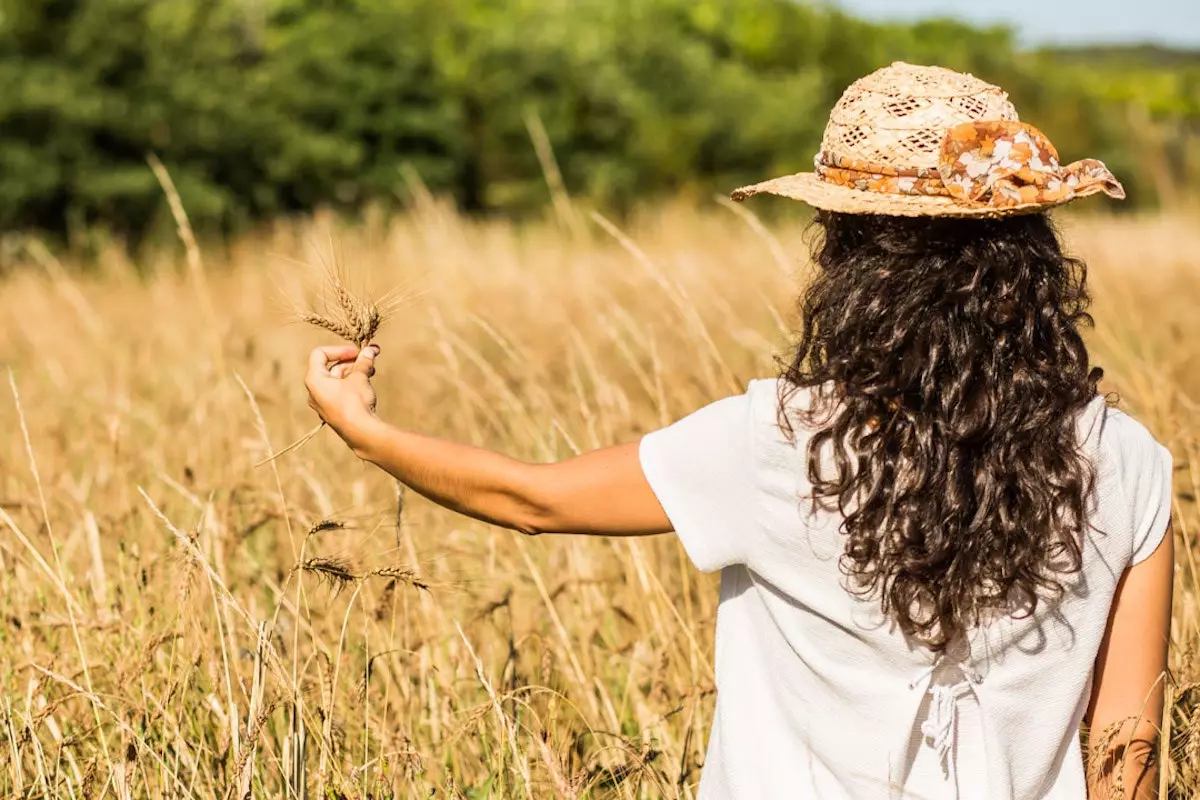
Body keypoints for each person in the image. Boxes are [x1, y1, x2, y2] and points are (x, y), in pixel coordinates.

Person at [303, 63, 1173, 800]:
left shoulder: (776, 441)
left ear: (852, 266)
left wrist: (366, 433)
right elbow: (1126, 743)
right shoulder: (1128, 461)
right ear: (1030, 262)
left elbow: (531, 499)